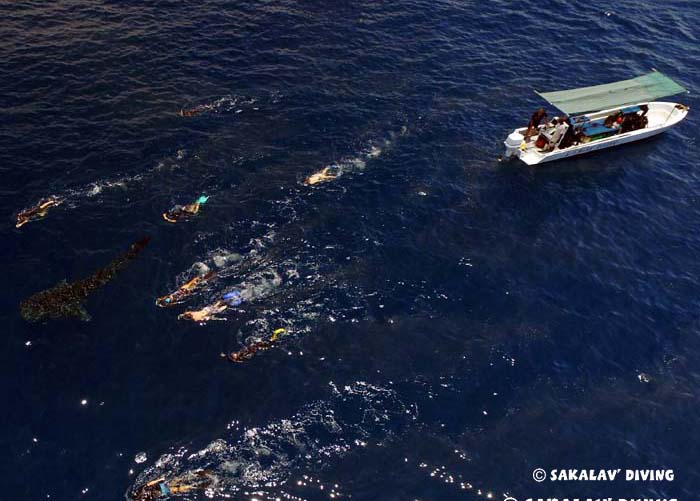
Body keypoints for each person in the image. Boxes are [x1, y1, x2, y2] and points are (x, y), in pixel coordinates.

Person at [131, 470, 215, 501]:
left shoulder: (136, 496)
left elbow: (147, 485)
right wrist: (160, 480)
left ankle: (203, 484)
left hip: (161, 491)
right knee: (180, 479)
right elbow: (147, 485)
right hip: (159, 486)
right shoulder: (135, 495)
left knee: (182, 488)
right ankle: (199, 473)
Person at [221, 328, 286, 363]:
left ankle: (277, 334)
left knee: (264, 337)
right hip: (259, 345)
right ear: (235, 359)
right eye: (233, 356)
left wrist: (225, 356)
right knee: (272, 340)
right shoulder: (244, 356)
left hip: (256, 344)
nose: (233, 354)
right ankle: (277, 333)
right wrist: (253, 346)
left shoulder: (241, 355)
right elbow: (253, 352)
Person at [178, 290, 243, 322]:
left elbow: (206, 317)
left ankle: (233, 299)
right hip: (207, 309)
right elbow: (186, 314)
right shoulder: (191, 313)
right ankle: (232, 297)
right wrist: (181, 315)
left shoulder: (195, 318)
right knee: (219, 303)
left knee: (223, 305)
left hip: (209, 311)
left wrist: (214, 318)